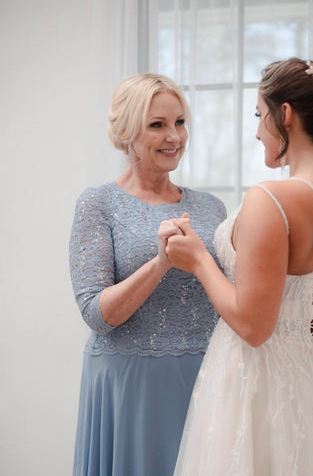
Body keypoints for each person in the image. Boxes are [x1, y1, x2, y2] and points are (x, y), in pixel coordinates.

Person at [163, 58, 313, 475]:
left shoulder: (272, 199)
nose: (256, 130)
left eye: (259, 115)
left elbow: (253, 326)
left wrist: (198, 261)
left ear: (285, 114)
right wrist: (292, 295)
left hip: (260, 384)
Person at [69, 73, 226, 476]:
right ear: (126, 132)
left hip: (206, 376)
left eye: (180, 122)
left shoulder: (212, 208)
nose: (174, 136)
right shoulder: (97, 204)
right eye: (157, 125)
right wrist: (160, 263)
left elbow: (231, 294)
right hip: (131, 383)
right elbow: (97, 314)